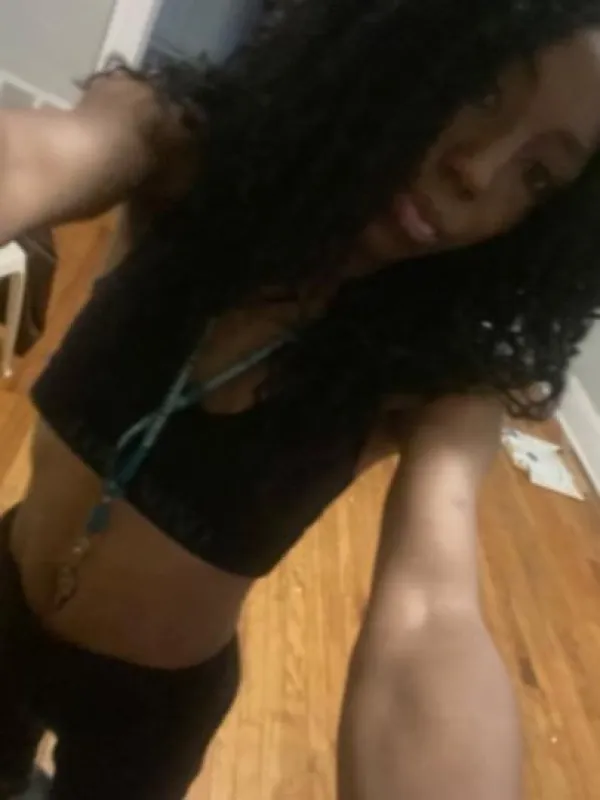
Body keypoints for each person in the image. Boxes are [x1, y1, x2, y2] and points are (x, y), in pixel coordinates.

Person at [1, 0, 600, 796]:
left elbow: (433, 611)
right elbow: (43, 156)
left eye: (538, 175)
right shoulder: (180, 149)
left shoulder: (442, 382)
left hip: (147, 712)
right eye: (484, 89)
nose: (479, 172)